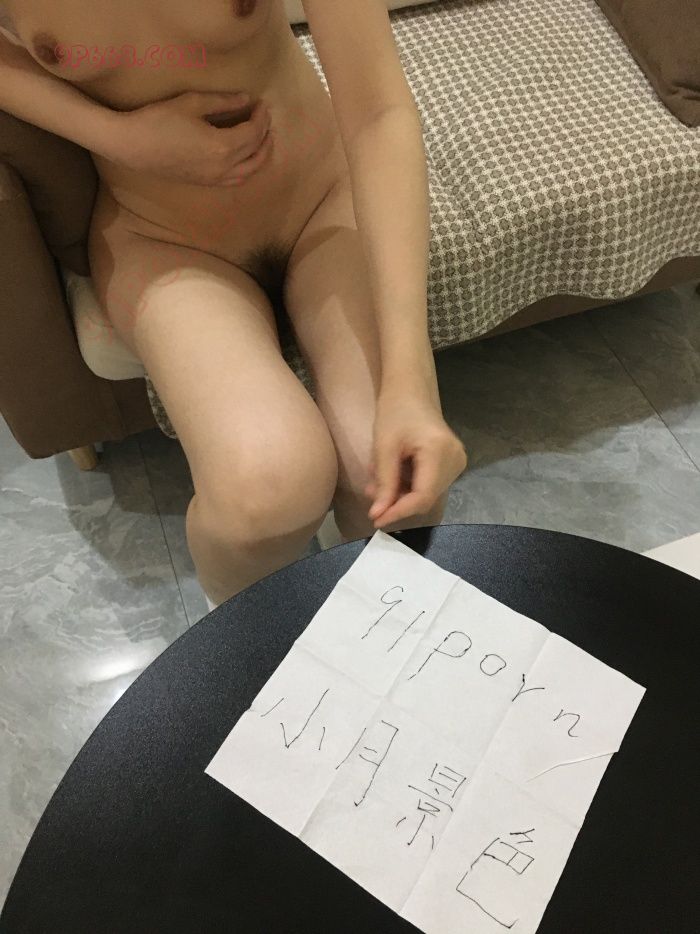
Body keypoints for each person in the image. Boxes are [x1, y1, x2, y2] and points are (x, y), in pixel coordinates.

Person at [0, 0, 468, 608]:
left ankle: (375, 626)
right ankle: (246, 645)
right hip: (160, 238)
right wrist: (118, 136)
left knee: (394, 483)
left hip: (322, 197)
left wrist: (412, 385)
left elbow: (378, 111)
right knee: (264, 495)